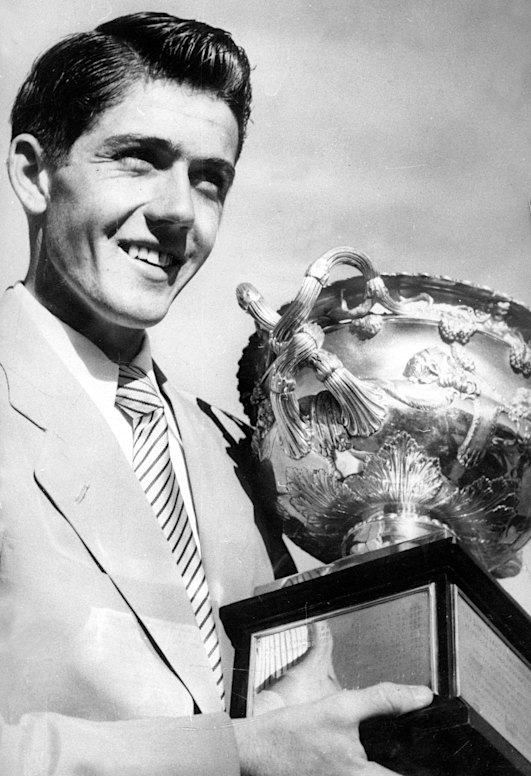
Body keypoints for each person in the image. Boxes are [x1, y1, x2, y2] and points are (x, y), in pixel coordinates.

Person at [0, 12, 433, 775]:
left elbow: (301, 720)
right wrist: (232, 756)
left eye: (210, 179)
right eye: (137, 159)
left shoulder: (246, 458)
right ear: (34, 173)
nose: (179, 212)